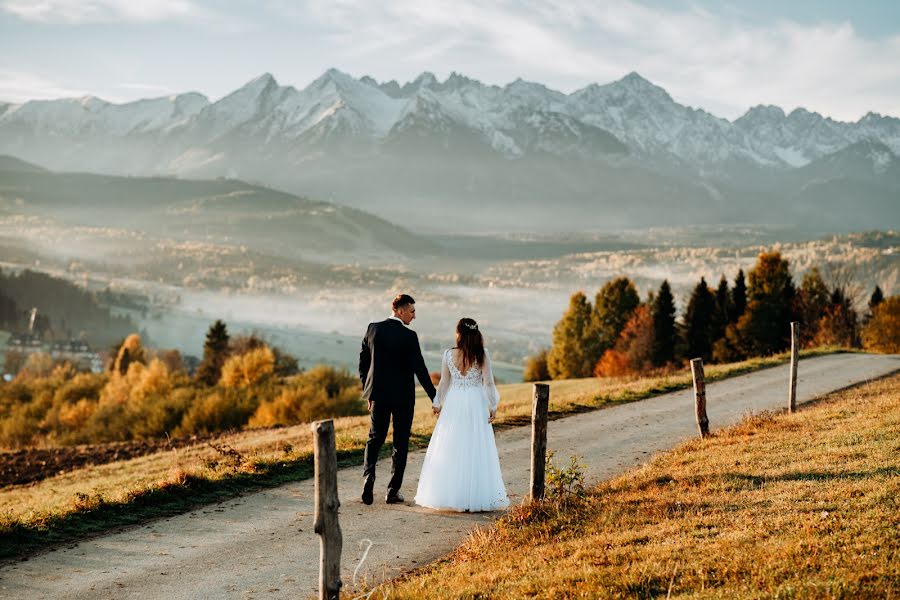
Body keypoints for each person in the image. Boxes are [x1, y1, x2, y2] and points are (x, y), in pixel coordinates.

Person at [415, 318, 509, 512]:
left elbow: (444, 383)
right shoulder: (482, 354)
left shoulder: (448, 354)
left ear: (459, 334)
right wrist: (493, 405)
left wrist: (438, 402)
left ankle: (452, 494)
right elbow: (488, 383)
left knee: (453, 446)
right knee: (475, 447)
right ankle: (474, 495)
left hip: (454, 403)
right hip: (476, 402)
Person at [359, 294, 437, 505]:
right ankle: (392, 491)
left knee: (375, 438)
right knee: (400, 443)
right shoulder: (409, 336)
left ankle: (368, 476)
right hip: (403, 398)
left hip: (379, 396)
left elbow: (363, 363)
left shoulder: (372, 329)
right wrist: (434, 397)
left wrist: (368, 392)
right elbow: (420, 369)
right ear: (400, 311)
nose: (414, 316)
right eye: (412, 311)